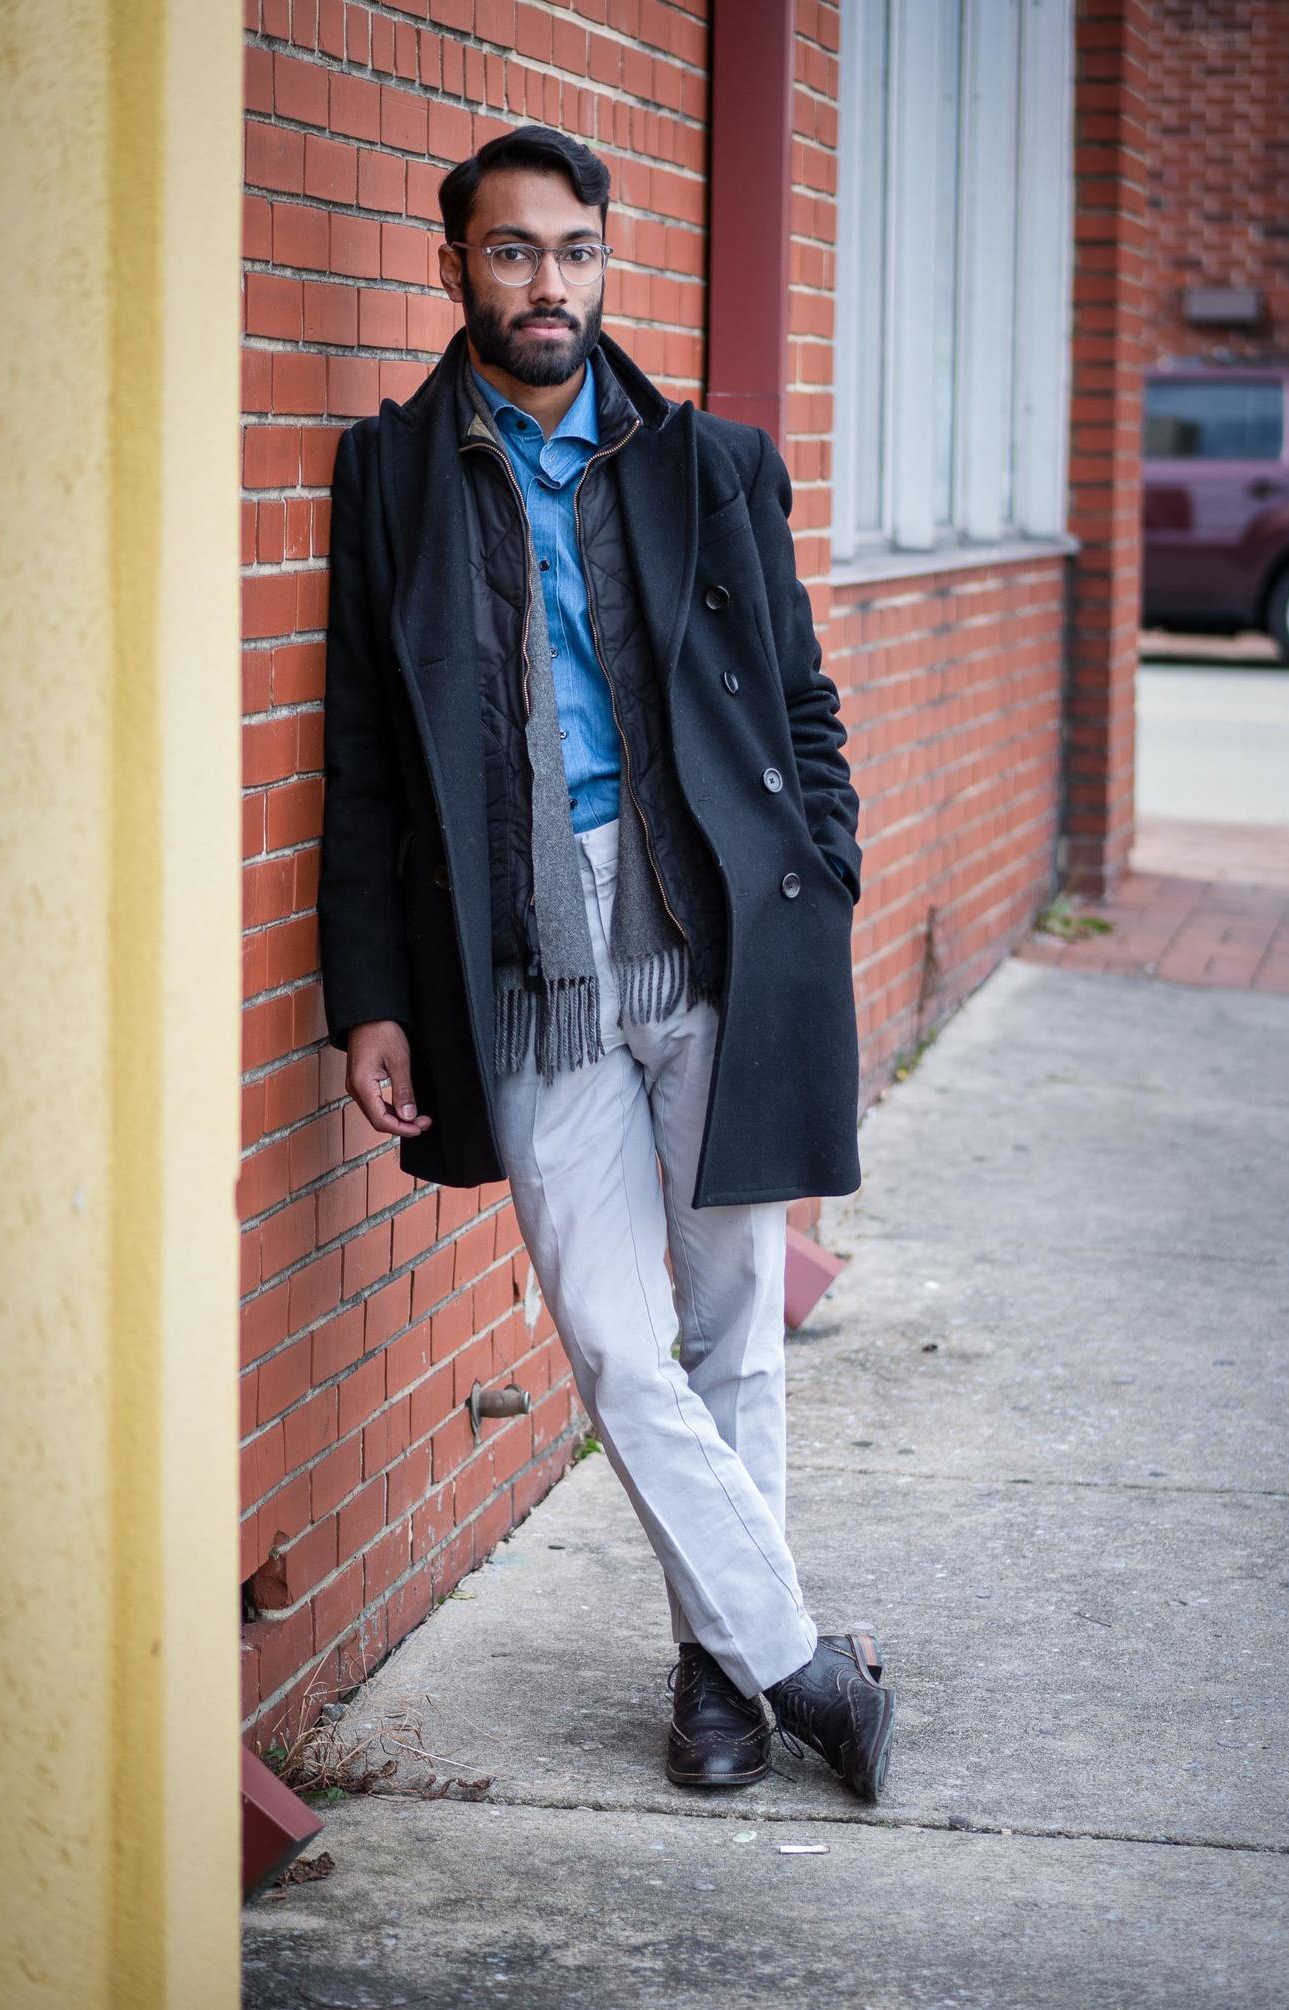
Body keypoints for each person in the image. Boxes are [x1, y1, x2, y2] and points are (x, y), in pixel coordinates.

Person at [317, 124, 896, 1800]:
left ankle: (719, 1681)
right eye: (512, 252)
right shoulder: (396, 477)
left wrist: (826, 873)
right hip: (519, 955)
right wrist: (371, 987)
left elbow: (798, 698)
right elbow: (366, 754)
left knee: (731, 1318)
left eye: (572, 250)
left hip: (712, 922)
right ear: (457, 269)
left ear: (603, 261)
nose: (547, 283)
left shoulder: (708, 461)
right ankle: (799, 1661)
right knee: (612, 1334)